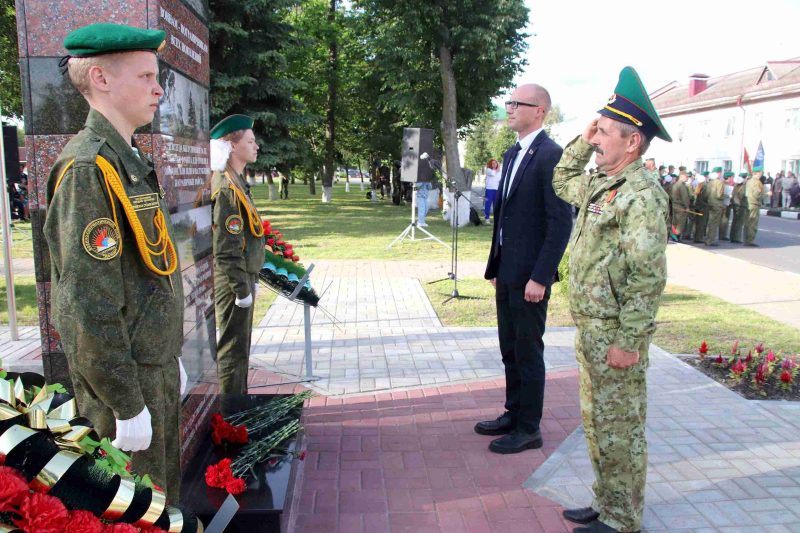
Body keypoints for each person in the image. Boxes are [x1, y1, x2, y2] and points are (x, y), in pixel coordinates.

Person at [44, 23, 186, 499]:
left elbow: (147, 275)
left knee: (163, 503)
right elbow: (87, 306)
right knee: (134, 510)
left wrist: (171, 356)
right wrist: (125, 403)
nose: (157, 88)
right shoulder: (89, 170)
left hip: (152, 371)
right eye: (146, 76)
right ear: (101, 79)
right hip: (125, 385)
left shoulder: (126, 161)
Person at [553, 66, 669, 533]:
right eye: (596, 130)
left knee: (620, 430)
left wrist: (628, 340)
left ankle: (623, 519)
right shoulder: (604, 184)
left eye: (604, 132)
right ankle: (606, 502)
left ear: (633, 142)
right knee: (599, 425)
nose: (597, 138)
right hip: (593, 331)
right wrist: (583, 139)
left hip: (616, 335)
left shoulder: (641, 195)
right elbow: (562, 180)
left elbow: (647, 278)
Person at [477, 83, 572, 454]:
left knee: (529, 352)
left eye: (518, 103)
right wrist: (498, 264)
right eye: (509, 102)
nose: (510, 108)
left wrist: (541, 276)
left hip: (531, 277)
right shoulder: (512, 153)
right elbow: (506, 216)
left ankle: (529, 428)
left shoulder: (551, 155)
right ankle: (513, 412)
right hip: (508, 271)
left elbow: (560, 222)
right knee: (509, 349)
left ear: (541, 111)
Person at [209, 115, 266, 394]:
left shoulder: (237, 182)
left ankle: (238, 408)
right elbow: (226, 248)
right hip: (234, 283)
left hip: (242, 277)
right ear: (232, 145)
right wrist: (241, 289)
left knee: (241, 347)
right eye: (250, 141)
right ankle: (232, 419)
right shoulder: (227, 188)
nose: (256, 146)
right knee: (233, 349)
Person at [704, 168, 724, 246]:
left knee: (710, 222)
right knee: (714, 223)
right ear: (718, 173)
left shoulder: (709, 183)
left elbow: (705, 195)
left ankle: (708, 239)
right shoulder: (719, 183)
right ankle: (710, 240)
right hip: (717, 204)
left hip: (710, 203)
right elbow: (719, 195)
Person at [744, 169, 765, 246]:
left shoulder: (749, 181)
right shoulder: (757, 182)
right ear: (758, 173)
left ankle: (746, 239)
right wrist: (766, 194)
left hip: (748, 203)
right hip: (754, 203)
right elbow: (757, 194)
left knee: (747, 222)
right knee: (752, 223)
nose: (761, 174)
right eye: (761, 172)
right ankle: (750, 240)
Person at [670, 172, 690, 241]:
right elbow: (685, 197)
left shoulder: (675, 184)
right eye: (686, 177)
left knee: (674, 222)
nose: (687, 178)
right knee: (680, 223)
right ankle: (677, 236)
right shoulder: (682, 185)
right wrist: (687, 207)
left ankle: (674, 236)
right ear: (682, 177)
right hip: (681, 207)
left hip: (674, 205)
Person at [730, 172, 748, 243]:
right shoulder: (743, 186)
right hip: (741, 205)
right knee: (739, 222)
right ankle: (737, 238)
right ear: (744, 178)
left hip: (735, 204)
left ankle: (732, 236)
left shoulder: (736, 185)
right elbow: (743, 195)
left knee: (734, 221)